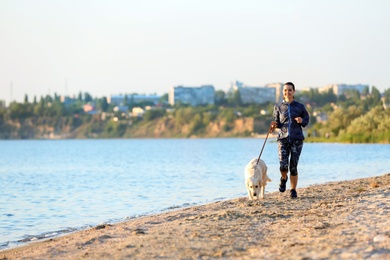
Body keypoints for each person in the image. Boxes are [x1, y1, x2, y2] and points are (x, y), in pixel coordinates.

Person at [270, 82, 309, 198]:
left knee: (293, 166)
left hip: (297, 139)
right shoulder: (278, 107)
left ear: (294, 92)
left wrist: (301, 120)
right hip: (282, 138)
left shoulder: (300, 107)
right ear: (283, 92)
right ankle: (283, 178)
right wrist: (274, 125)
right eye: (285, 90)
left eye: (290, 90)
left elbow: (306, 119)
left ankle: (293, 189)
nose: (287, 92)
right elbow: (277, 122)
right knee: (283, 165)